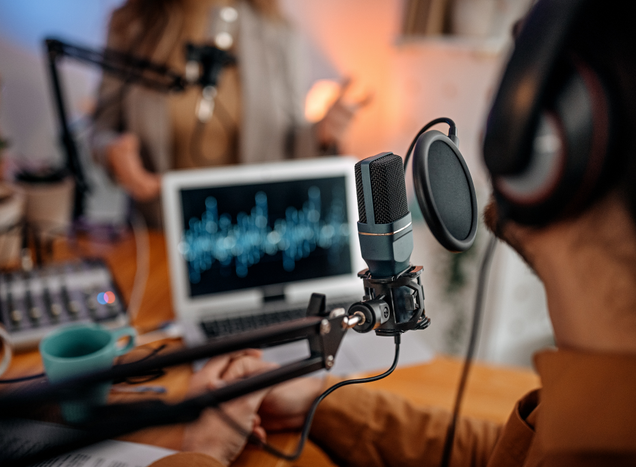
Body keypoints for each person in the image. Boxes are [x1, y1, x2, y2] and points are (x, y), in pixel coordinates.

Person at [148, 1, 636, 465]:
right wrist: (319, 402)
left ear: (549, 154)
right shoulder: (599, 414)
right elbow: (498, 454)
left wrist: (203, 452)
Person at [92, 0, 369, 228]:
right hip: (159, 228)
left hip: (254, 231)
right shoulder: (130, 27)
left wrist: (320, 133)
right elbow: (100, 129)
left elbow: (290, 144)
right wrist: (112, 152)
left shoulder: (279, 33)